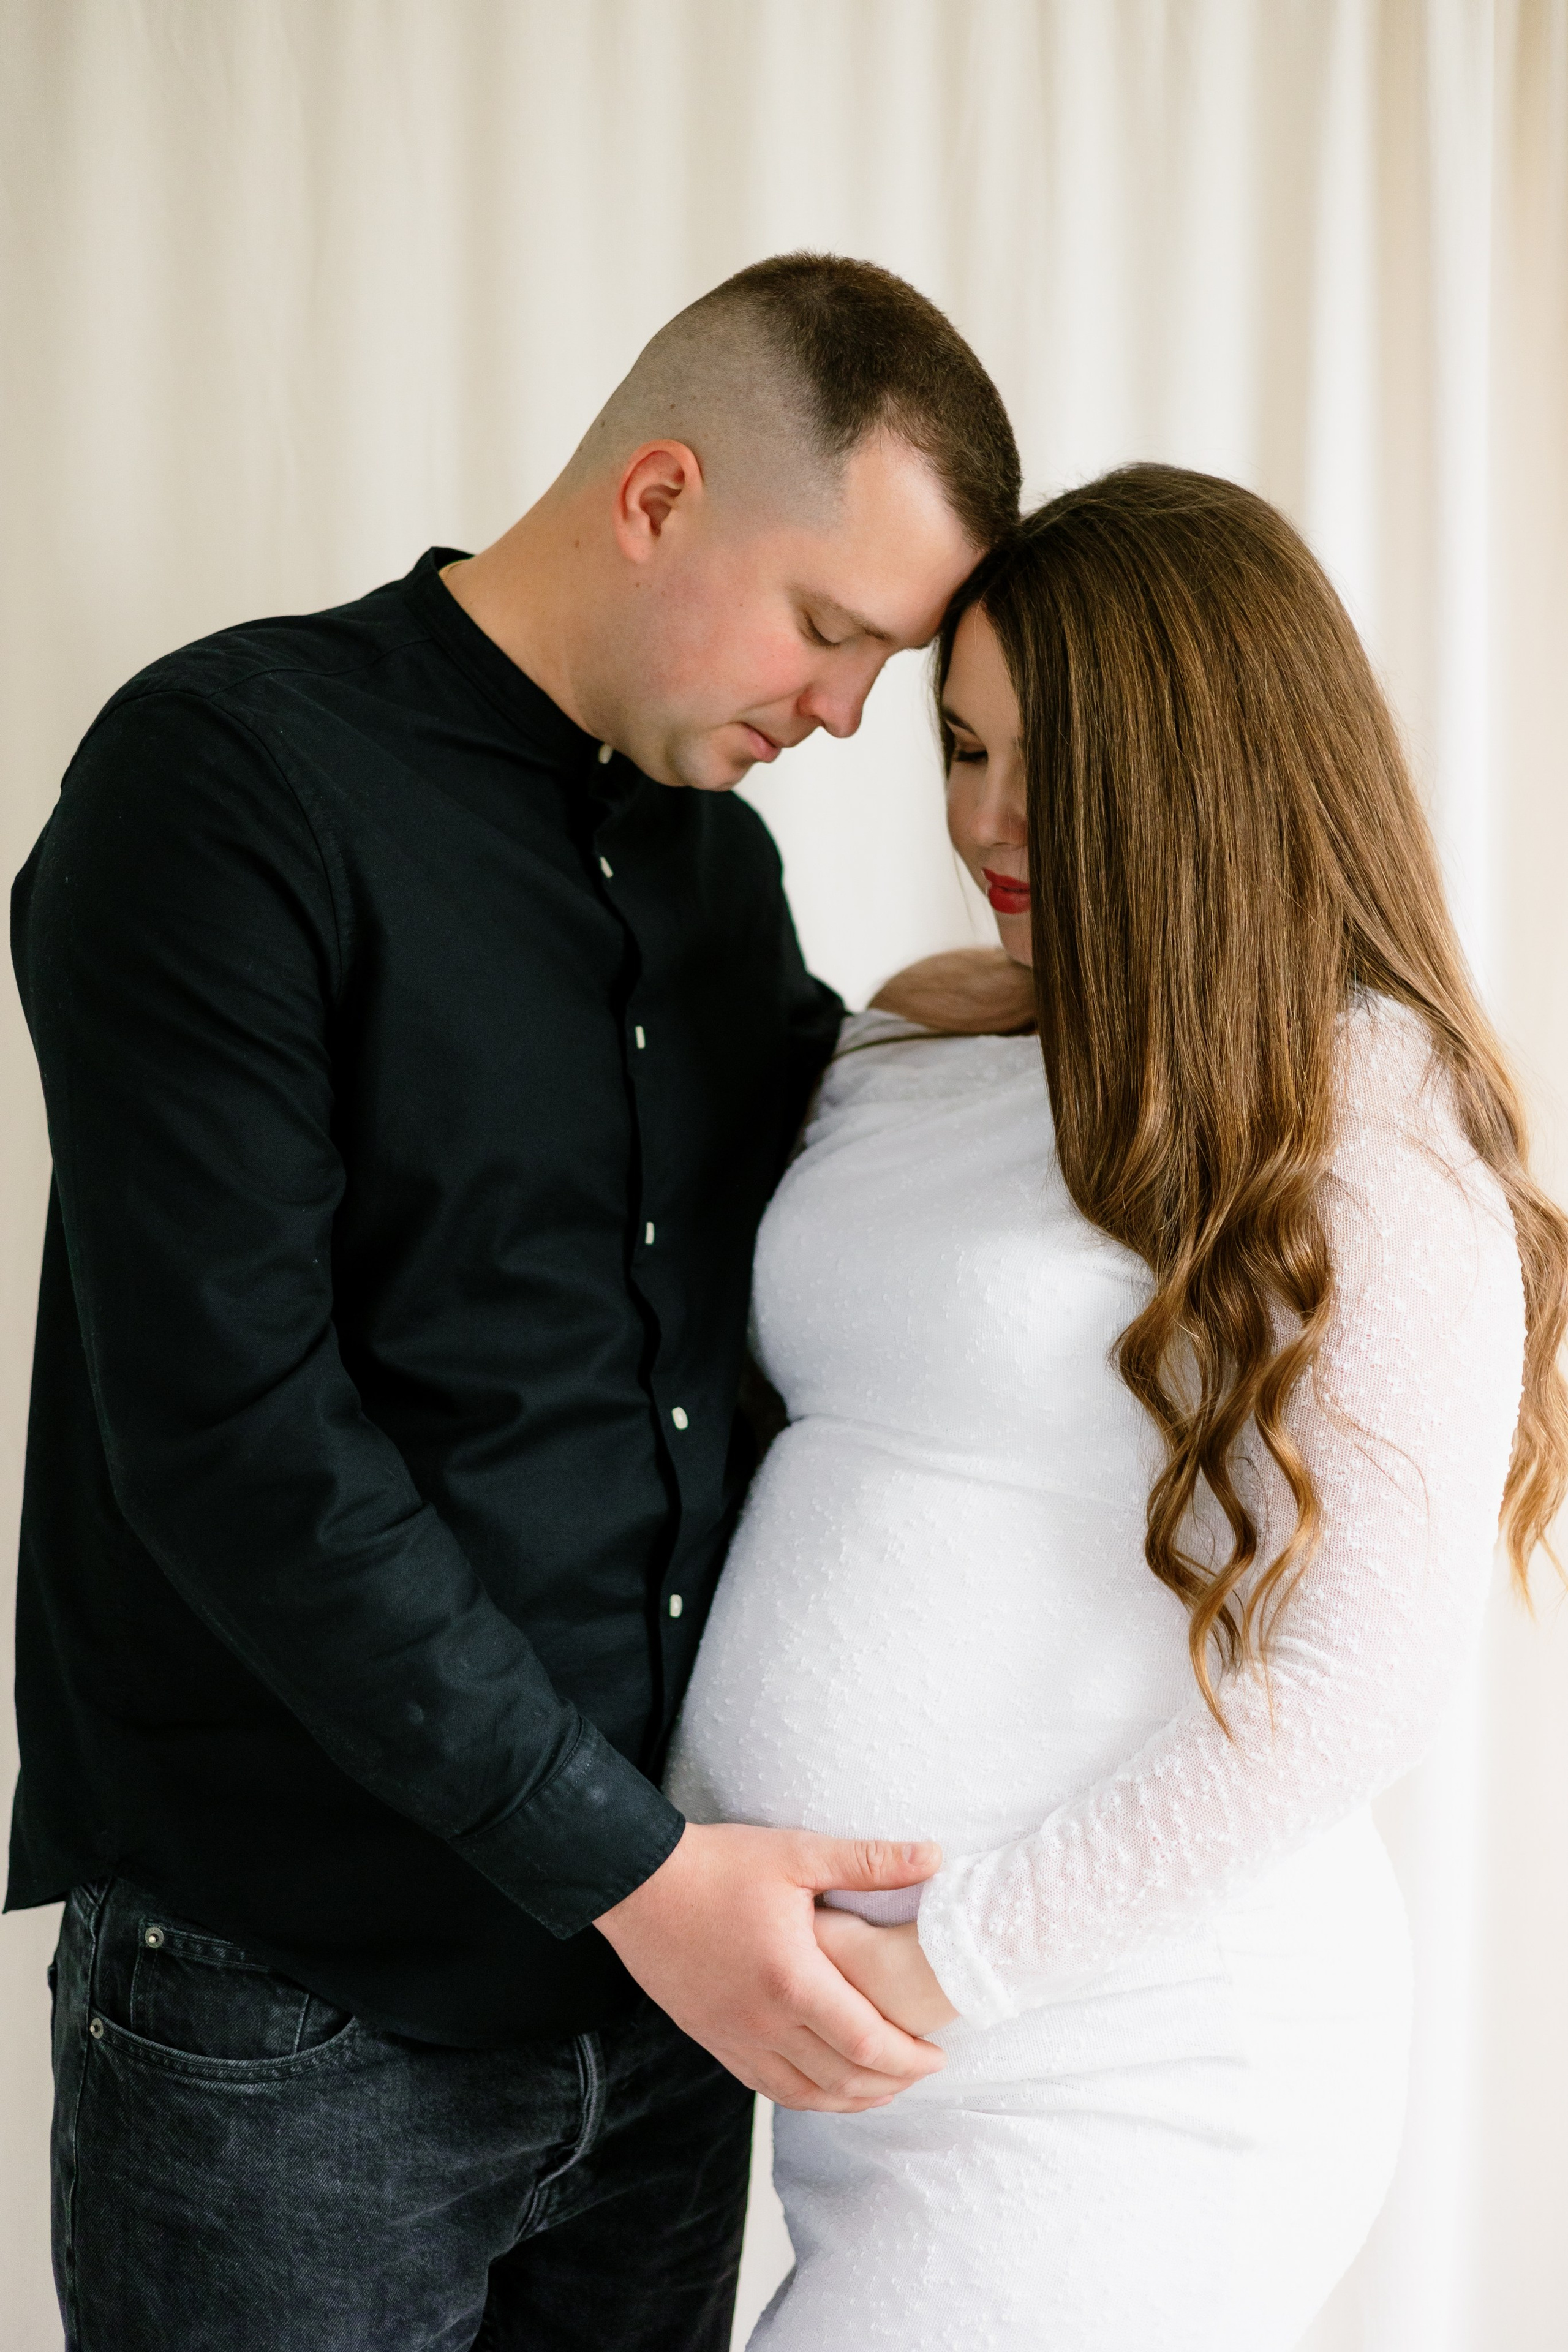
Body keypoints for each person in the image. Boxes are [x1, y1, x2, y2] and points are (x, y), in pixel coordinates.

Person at [9, 253, 1021, 2352]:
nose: (847, 716)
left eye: (885, 666)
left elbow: (835, 1285)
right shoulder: (223, 781)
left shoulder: (717, 876)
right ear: (658, 494)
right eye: (831, 630)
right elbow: (234, 1439)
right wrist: (639, 1873)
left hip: (664, 2018)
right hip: (298, 2018)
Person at [666, 463, 1568, 2350]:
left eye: (1049, 761)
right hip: (857, 2074)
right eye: (963, 747)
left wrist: (952, 1964)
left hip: (1131, 2064)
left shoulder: (1367, 1114)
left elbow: (1359, 1681)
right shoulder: (932, 1032)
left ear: (1204, 767)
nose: (987, 821)